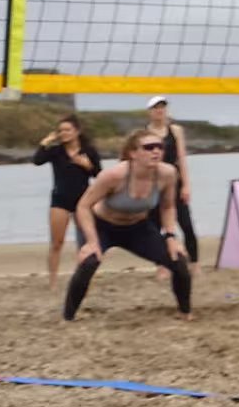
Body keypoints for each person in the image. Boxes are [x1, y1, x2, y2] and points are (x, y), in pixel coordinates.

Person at [62, 132, 193, 321]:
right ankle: (68, 316)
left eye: (159, 147)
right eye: (148, 147)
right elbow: (82, 206)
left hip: (136, 228)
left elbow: (167, 206)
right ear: (133, 153)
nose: (155, 151)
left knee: (178, 260)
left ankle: (185, 312)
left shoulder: (168, 174)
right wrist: (91, 241)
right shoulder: (114, 175)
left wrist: (171, 236)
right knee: (89, 262)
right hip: (101, 226)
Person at [32, 114, 102, 288]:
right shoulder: (56, 151)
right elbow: (37, 160)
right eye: (60, 130)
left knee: (85, 243)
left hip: (83, 202)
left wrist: (88, 166)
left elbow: (100, 176)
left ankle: (83, 280)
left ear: (77, 131)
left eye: (67, 130)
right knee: (57, 243)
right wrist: (46, 141)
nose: (63, 133)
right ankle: (53, 282)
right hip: (60, 200)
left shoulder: (89, 151)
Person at [141, 96, 201, 263]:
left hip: (175, 182)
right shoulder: (144, 133)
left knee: (186, 225)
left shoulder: (175, 130)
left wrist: (186, 186)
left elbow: (181, 158)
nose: (160, 111)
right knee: (155, 227)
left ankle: (194, 262)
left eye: (162, 107)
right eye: (156, 108)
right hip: (154, 185)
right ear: (149, 112)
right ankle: (161, 264)